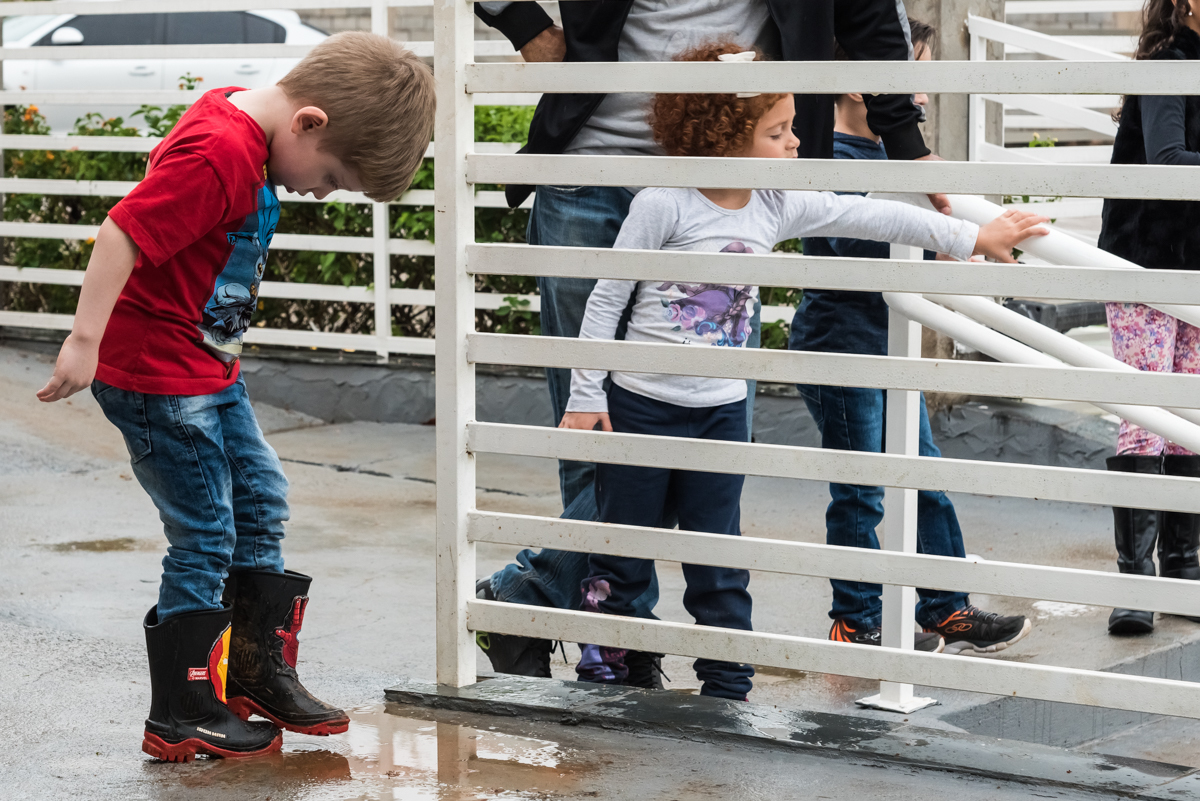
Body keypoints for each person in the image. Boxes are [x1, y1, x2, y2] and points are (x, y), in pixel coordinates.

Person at [471, 0, 958, 682]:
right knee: (598, 439)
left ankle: (534, 595)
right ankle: (621, 650)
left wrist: (907, 143)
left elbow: (871, 13)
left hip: (728, 185)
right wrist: (524, 23)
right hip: (592, 170)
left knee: (703, 439)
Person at [560, 41, 1049, 697]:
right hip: (641, 404)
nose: (795, 144)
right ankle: (607, 667)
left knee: (721, 560)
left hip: (721, 411)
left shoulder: (773, 204)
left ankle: (728, 683)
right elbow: (608, 298)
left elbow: (868, 213)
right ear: (723, 137)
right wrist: (587, 394)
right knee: (621, 551)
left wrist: (975, 235)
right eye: (777, 132)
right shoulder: (662, 204)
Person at [35, 32, 435, 761]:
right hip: (158, 375)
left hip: (207, 369)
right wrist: (85, 340)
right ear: (308, 122)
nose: (320, 191)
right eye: (333, 176)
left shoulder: (243, 132)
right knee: (207, 532)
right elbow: (122, 232)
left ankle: (251, 671)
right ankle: (183, 707)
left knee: (260, 496)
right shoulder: (221, 153)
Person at [790, 20, 1034, 656]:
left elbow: (915, 239)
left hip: (889, 340)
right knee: (864, 488)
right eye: (908, 79)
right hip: (840, 341)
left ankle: (946, 609)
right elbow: (846, 241)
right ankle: (855, 616)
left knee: (923, 477)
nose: (919, 97)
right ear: (857, 83)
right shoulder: (828, 155)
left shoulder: (893, 155)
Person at [1097, 0, 1200, 635]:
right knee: (1144, 419)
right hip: (1145, 262)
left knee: (1188, 416)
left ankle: (1185, 564)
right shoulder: (1167, 64)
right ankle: (1135, 578)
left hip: (1193, 266)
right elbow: (1167, 162)